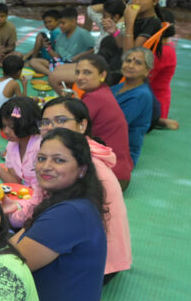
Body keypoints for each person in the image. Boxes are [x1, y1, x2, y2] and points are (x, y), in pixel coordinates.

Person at [10, 129, 106, 301]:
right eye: (42, 158)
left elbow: (7, 266)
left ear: (82, 169)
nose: (46, 166)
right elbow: (11, 244)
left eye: (59, 160)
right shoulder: (65, 201)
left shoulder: (69, 214)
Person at [40, 97, 131, 279]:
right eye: (45, 122)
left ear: (82, 126)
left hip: (97, 266)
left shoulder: (82, 165)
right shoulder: (81, 151)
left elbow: (58, 220)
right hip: (104, 255)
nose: (51, 127)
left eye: (60, 120)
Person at [0, 96, 43, 229]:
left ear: (26, 124)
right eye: (4, 126)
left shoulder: (41, 146)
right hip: (24, 196)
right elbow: (14, 183)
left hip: (41, 200)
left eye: (11, 126)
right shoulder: (12, 145)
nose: (5, 131)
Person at [72, 54, 133, 188]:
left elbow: (70, 131)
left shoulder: (95, 98)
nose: (80, 77)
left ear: (102, 75)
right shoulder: (102, 92)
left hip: (110, 178)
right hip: (119, 173)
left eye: (87, 72)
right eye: (77, 72)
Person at [32, 7, 95, 93]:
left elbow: (95, 49)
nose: (60, 26)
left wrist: (79, 56)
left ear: (73, 22)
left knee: (59, 72)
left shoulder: (83, 34)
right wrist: (48, 48)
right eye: (59, 23)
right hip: (61, 63)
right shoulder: (60, 36)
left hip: (74, 65)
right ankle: (52, 74)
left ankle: (55, 76)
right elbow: (58, 57)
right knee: (34, 61)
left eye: (63, 23)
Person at [112, 47, 156, 167]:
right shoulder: (118, 87)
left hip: (121, 155)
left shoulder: (141, 95)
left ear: (147, 71)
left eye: (138, 63)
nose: (130, 65)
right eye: (128, 61)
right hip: (105, 142)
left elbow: (114, 125)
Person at [147, 14, 180, 130]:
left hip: (155, 101)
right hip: (156, 97)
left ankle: (160, 122)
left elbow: (146, 78)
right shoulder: (164, 46)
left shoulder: (163, 51)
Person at [0, 54, 28, 118]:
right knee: (29, 104)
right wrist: (24, 86)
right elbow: (23, 102)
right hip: (3, 117)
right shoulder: (14, 83)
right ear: (19, 72)